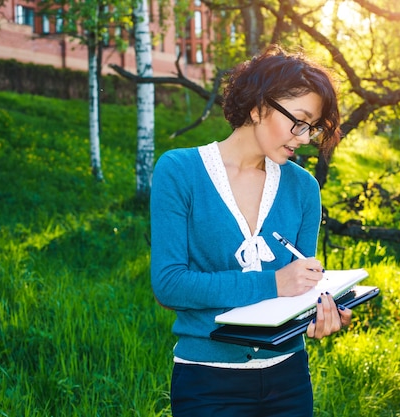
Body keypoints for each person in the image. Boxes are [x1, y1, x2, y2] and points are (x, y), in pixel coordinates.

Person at [150, 45, 352, 417]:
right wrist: (273, 283)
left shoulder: (304, 188)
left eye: (311, 127)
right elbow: (170, 284)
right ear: (259, 107)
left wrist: (323, 313)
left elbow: (299, 289)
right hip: (207, 383)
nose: (304, 137)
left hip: (289, 381)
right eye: (299, 121)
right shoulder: (179, 171)